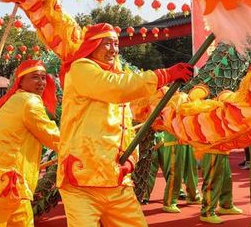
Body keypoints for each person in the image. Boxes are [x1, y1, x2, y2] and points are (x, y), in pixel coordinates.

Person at [56, 23, 193, 226]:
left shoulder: (117, 76)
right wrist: (163, 75)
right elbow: (116, 88)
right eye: (107, 43)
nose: (114, 49)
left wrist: (132, 158)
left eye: (116, 44)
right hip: (83, 180)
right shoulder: (81, 69)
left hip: (116, 179)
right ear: (92, 45)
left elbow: (124, 125)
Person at [0, 60, 60, 227]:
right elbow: (53, 136)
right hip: (5, 189)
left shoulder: (14, 101)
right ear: (21, 81)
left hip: (5, 187)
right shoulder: (29, 101)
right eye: (35, 77)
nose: (41, 82)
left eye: (43, 78)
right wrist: (83, 148)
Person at [199, 151, 242, 224]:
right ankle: (207, 212)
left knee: (226, 177)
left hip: (221, 146)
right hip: (212, 145)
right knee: (212, 178)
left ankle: (226, 205)